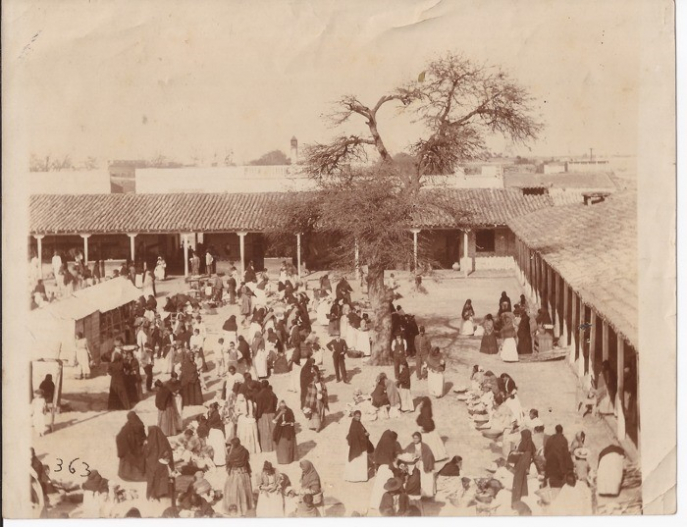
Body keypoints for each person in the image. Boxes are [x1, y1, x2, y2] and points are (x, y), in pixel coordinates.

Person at [224, 437, 254, 516]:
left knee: (234, 491)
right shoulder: (244, 450)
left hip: (235, 474)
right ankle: (245, 508)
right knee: (244, 491)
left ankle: (235, 509)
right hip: (244, 473)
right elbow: (247, 461)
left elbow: (228, 463)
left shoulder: (232, 453)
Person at [144, 426, 174, 500]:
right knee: (161, 479)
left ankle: (151, 495)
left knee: (152, 480)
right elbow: (169, 451)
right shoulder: (163, 440)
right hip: (162, 464)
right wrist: (170, 465)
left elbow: (145, 453)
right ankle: (161, 493)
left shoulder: (149, 441)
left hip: (151, 465)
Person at [115, 411, 147, 482]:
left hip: (133, 448)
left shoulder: (127, 427)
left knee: (131, 460)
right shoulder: (139, 424)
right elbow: (143, 435)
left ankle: (131, 474)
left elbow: (119, 437)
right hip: (133, 448)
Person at [404, 432, 436, 498]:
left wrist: (423, 458)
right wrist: (411, 456)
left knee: (425, 477)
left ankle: (426, 494)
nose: (415, 440)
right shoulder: (411, 445)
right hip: (413, 464)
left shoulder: (424, 446)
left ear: (420, 438)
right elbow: (405, 453)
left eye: (416, 438)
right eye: (414, 438)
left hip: (423, 464)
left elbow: (429, 455)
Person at [416, 397, 448, 461]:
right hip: (428, 428)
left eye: (422, 402)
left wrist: (425, 429)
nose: (420, 403)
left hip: (426, 429)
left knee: (430, 443)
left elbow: (427, 421)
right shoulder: (426, 409)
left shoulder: (425, 411)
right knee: (433, 443)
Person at [510, 429, 537, 505]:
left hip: (520, 466)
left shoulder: (522, 443)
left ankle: (517, 500)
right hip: (524, 466)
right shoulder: (530, 444)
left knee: (519, 483)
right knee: (523, 484)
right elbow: (533, 455)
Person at [345, 411, 373, 482]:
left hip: (360, 445)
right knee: (356, 461)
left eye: (359, 416)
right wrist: (364, 435)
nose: (358, 418)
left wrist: (365, 433)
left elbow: (362, 431)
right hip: (356, 446)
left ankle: (361, 477)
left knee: (360, 462)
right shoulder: (353, 425)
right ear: (354, 416)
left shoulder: (358, 423)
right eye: (357, 416)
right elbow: (355, 435)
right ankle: (355, 478)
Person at [544, 424, 574, 488]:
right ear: (562, 431)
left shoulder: (550, 438)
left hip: (550, 463)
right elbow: (565, 454)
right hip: (559, 465)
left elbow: (546, 451)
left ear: (555, 430)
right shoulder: (563, 439)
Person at [273, 400, 297, 464]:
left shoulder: (289, 411)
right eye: (281, 406)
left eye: (283, 406)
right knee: (281, 445)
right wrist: (280, 413)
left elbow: (293, 420)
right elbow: (274, 420)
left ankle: (288, 460)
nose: (282, 408)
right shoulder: (278, 411)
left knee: (288, 444)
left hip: (287, 429)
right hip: (279, 430)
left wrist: (289, 423)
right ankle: (282, 460)